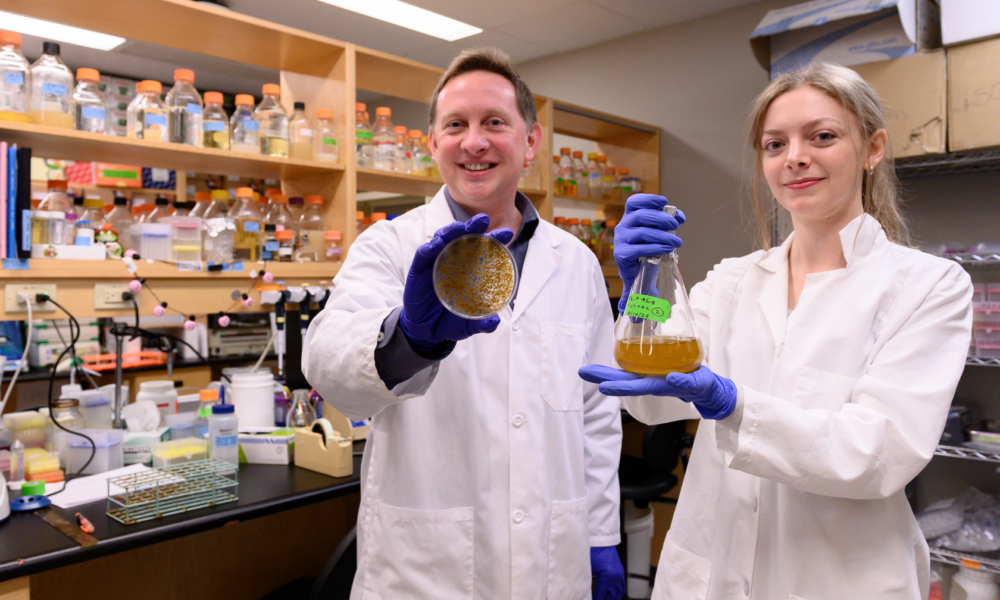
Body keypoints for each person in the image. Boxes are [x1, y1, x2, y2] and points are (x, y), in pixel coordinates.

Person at [581, 62, 973, 599]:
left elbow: (878, 453)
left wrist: (733, 405)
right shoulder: (732, 280)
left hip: (838, 581)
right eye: (775, 144)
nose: (795, 157)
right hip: (711, 570)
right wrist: (643, 290)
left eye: (823, 136)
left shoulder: (929, 286)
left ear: (873, 148)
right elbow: (651, 402)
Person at [304, 48, 625, 599]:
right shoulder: (389, 247)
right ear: (433, 143)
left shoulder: (575, 262)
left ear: (531, 141)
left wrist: (599, 534)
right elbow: (327, 367)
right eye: (455, 125)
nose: (474, 142)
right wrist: (409, 339)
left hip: (552, 559)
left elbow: (595, 411)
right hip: (428, 570)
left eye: (494, 123)